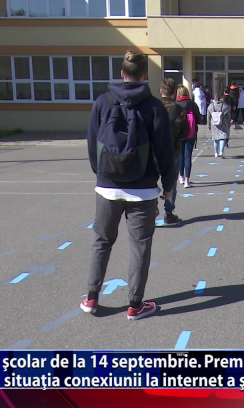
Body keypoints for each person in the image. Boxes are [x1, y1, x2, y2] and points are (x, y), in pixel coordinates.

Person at [81, 50, 175, 320]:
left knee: (102, 240)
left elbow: (92, 143)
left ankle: (91, 298)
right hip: (143, 189)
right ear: (145, 76)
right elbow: (165, 151)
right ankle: (135, 305)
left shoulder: (102, 102)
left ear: (122, 74)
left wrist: (101, 174)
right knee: (139, 245)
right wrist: (168, 184)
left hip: (107, 186)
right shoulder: (154, 107)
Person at [160, 78, 190, 224]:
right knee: (171, 183)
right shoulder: (179, 110)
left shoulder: (153, 107)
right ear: (174, 93)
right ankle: (168, 213)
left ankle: (151, 208)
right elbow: (186, 132)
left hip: (152, 152)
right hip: (173, 150)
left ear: (161, 91)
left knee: (150, 181)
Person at [175, 84, 200, 188]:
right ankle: (187, 180)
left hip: (179, 134)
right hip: (191, 133)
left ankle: (180, 177)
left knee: (180, 155)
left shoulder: (175, 105)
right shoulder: (193, 105)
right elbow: (199, 119)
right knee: (188, 156)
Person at [208, 92, 231, 158]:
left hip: (214, 123)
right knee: (223, 137)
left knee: (215, 138)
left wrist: (208, 125)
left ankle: (216, 152)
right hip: (223, 123)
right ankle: (221, 151)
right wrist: (229, 122)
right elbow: (228, 116)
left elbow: (208, 116)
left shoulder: (211, 106)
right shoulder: (225, 106)